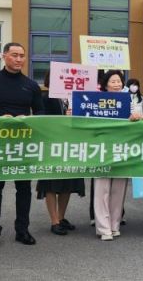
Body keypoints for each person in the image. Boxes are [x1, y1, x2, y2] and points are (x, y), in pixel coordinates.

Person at [0, 42, 44, 249]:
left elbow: (40, 111)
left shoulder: (31, 85)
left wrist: (28, 118)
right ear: (4, 56)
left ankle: (22, 230)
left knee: (24, 188)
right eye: (14, 55)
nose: (19, 59)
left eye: (22, 55)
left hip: (23, 143)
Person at [37, 73, 85, 237]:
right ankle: (54, 221)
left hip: (72, 146)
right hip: (52, 146)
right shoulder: (45, 98)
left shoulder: (78, 99)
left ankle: (61, 217)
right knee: (50, 184)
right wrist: (62, 118)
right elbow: (41, 120)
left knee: (68, 183)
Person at [91, 70, 130, 241]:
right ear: (105, 85)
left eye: (119, 81)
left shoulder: (129, 100)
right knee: (102, 189)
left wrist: (136, 117)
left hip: (122, 147)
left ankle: (115, 225)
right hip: (101, 148)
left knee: (119, 190)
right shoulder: (96, 101)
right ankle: (103, 228)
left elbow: (139, 119)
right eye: (113, 81)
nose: (116, 84)